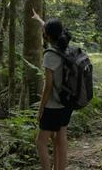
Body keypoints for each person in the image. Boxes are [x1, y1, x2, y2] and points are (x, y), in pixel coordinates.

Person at [32, 9, 73, 170]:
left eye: (44, 32)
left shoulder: (50, 55)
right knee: (60, 138)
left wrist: (41, 108)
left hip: (53, 105)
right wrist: (39, 19)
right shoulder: (66, 48)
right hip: (67, 103)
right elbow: (53, 31)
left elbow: (48, 85)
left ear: (47, 36)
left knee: (40, 142)